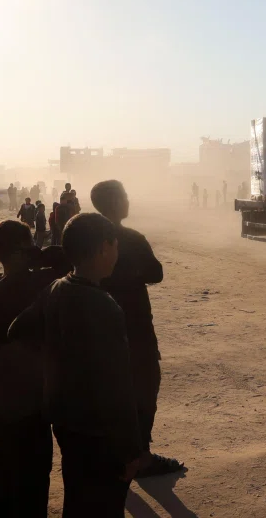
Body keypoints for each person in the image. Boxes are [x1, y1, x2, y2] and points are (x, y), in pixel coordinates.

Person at [9, 213, 143, 516]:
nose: (117, 254)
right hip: (100, 431)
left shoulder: (56, 288)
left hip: (65, 420)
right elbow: (118, 386)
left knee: (77, 500)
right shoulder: (104, 306)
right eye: (115, 247)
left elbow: (16, 330)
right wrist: (132, 450)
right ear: (103, 248)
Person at [0, 221, 70, 518]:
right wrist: (40, 255)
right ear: (20, 253)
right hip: (30, 393)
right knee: (33, 470)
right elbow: (68, 262)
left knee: (3, 467)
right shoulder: (37, 285)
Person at [90, 180, 183, 478]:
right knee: (143, 388)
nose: (129, 201)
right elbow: (156, 273)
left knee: (107, 390)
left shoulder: (85, 237)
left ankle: (112, 454)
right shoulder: (130, 237)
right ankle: (139, 456)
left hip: (96, 328)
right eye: (125, 196)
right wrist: (130, 275)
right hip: (135, 327)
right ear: (116, 202)